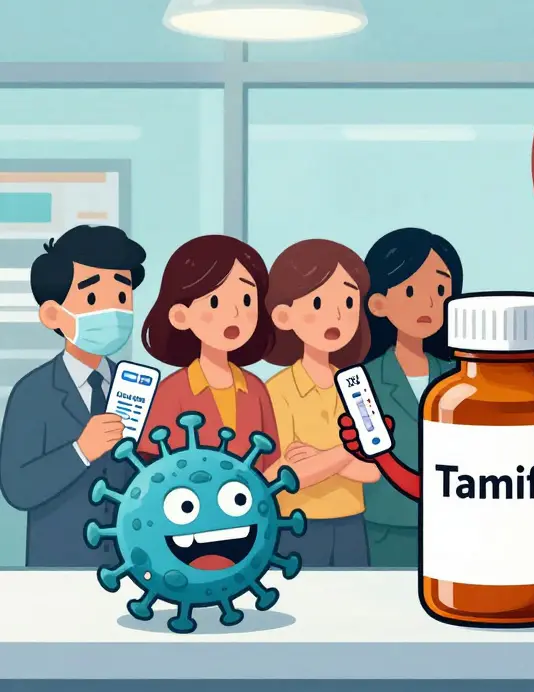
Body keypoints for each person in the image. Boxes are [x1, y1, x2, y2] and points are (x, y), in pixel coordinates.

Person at [0, 225, 146, 567]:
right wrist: (81, 452)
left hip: (131, 561)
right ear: (53, 314)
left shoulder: (135, 388)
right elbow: (16, 487)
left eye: (122, 298)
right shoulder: (32, 392)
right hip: (59, 562)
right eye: (93, 299)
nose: (113, 311)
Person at [265, 239, 380, 567]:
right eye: (318, 302)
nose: (337, 315)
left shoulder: (356, 386)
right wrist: (346, 453)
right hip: (297, 525)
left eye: (348, 301)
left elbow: (373, 470)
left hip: (353, 522)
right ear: (285, 315)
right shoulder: (279, 390)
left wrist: (320, 459)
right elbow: (287, 474)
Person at [360, 228, 462, 566]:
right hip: (388, 524)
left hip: (454, 520)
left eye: (440, 290)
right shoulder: (367, 379)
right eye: (410, 290)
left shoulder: (460, 377)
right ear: (378, 303)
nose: (430, 303)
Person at [139, 236, 278, 466]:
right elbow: (153, 470)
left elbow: (273, 464)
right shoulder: (171, 392)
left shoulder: (255, 390)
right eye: (214, 302)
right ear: (180, 316)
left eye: (246, 300)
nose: (234, 313)